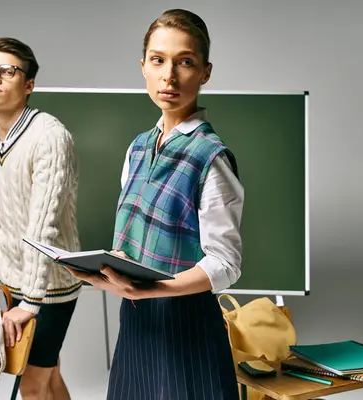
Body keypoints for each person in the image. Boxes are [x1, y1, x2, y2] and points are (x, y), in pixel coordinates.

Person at [67, 9, 244, 399]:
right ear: (143, 67)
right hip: (136, 325)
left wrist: (154, 289)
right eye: (158, 60)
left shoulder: (210, 157)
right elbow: (130, 243)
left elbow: (226, 264)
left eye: (185, 62)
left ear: (205, 72)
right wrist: (105, 271)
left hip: (188, 330)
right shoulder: (138, 148)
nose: (169, 76)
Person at [0, 37, 81, 400]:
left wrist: (30, 305)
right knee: (49, 374)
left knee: (31, 385)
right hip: (10, 283)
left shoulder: (50, 136)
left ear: (28, 85)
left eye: (7, 71)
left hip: (52, 285)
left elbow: (43, 226)